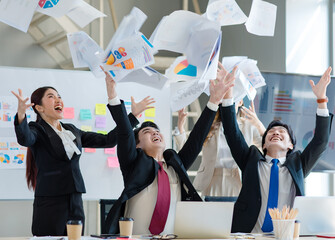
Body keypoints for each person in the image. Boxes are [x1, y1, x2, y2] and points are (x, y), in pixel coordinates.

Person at [102, 66, 236, 235]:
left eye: (157, 131)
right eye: (147, 132)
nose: (155, 132)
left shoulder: (175, 166)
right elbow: (124, 132)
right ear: (137, 145)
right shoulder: (133, 163)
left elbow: (196, 139)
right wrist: (112, 94)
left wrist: (214, 101)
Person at [12, 87, 151, 236]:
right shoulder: (37, 129)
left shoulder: (71, 130)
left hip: (75, 197)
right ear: (39, 107)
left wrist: (132, 117)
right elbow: (25, 138)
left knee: (75, 238)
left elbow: (109, 140)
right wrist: (21, 114)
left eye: (59, 96)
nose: (59, 100)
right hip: (50, 200)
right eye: (51, 97)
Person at [219, 65, 333, 233]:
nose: (276, 133)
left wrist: (322, 99)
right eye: (271, 131)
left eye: (282, 132)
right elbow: (232, 133)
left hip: (286, 235)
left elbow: (321, 142)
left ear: (290, 146)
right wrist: (228, 95)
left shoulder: (298, 165)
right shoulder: (250, 159)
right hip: (250, 234)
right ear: (264, 144)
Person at [174, 100, 265, 197]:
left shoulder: (249, 126)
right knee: (210, 211)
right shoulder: (209, 125)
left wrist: (259, 126)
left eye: (233, 100)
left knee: (234, 211)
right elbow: (189, 150)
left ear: (240, 102)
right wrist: (180, 127)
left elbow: (266, 150)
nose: (228, 103)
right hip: (211, 178)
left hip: (238, 180)